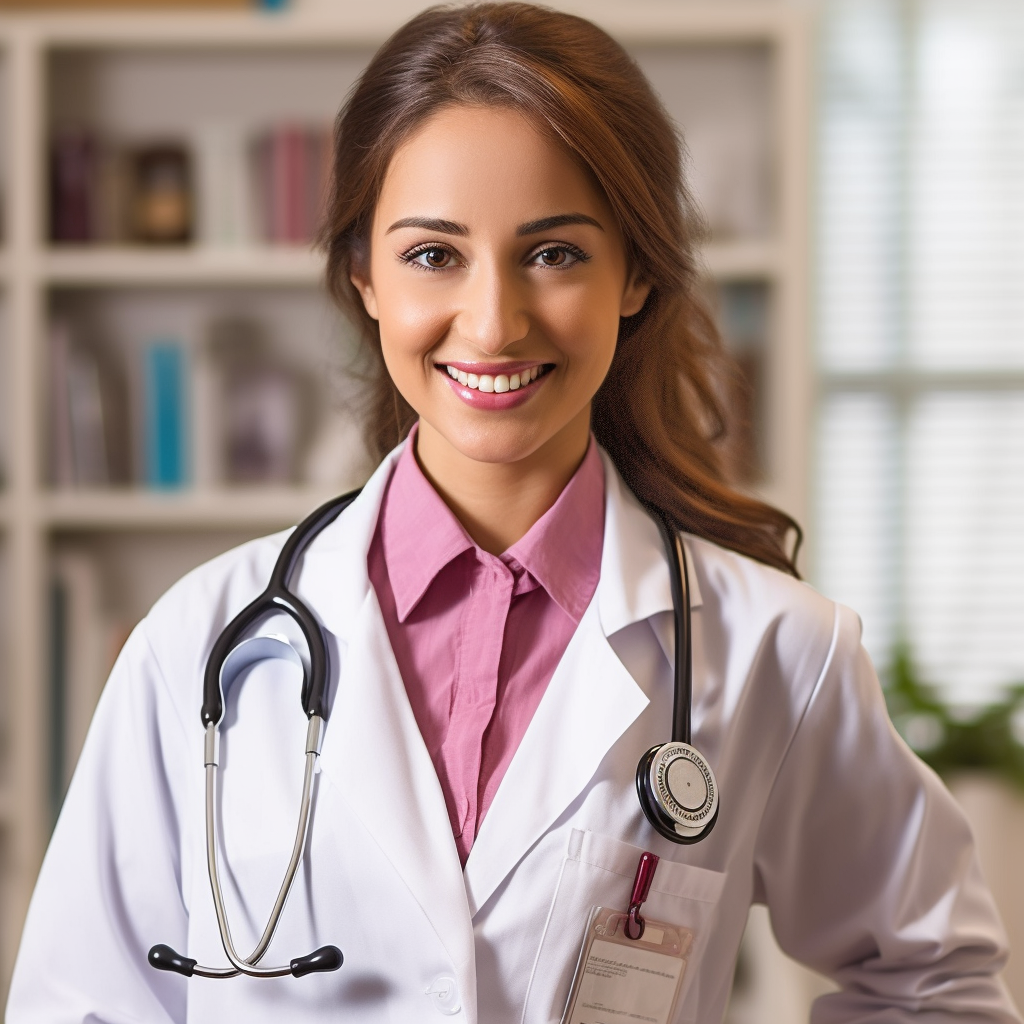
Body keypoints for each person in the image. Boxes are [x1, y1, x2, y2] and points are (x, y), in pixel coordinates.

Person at [8, 5, 1020, 1023]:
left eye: (553, 255)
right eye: (433, 255)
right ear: (363, 275)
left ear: (634, 272)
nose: (492, 323)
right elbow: (80, 1002)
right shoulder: (201, 643)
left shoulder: (774, 654)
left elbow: (936, 982)